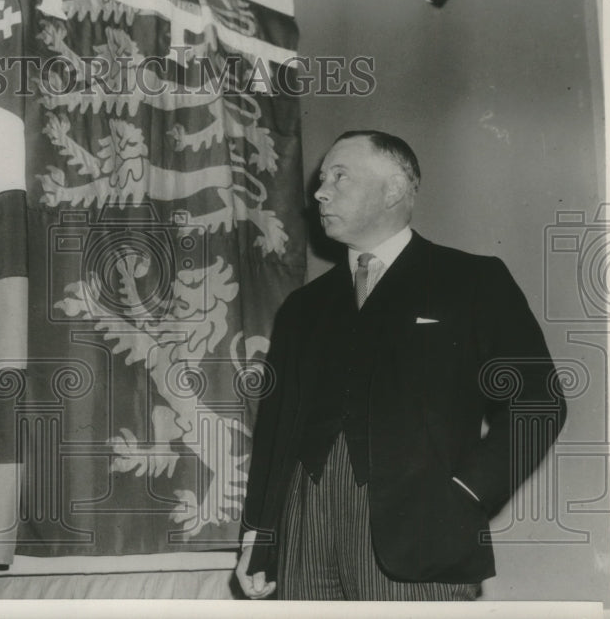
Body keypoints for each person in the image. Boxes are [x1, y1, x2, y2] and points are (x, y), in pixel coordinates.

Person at [236, 130, 566, 600]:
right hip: (302, 530)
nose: (320, 191)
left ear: (393, 189)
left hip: (418, 532)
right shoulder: (302, 308)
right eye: (322, 178)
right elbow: (274, 432)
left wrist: (470, 495)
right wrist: (258, 535)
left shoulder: (471, 281)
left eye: (340, 176)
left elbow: (539, 401)